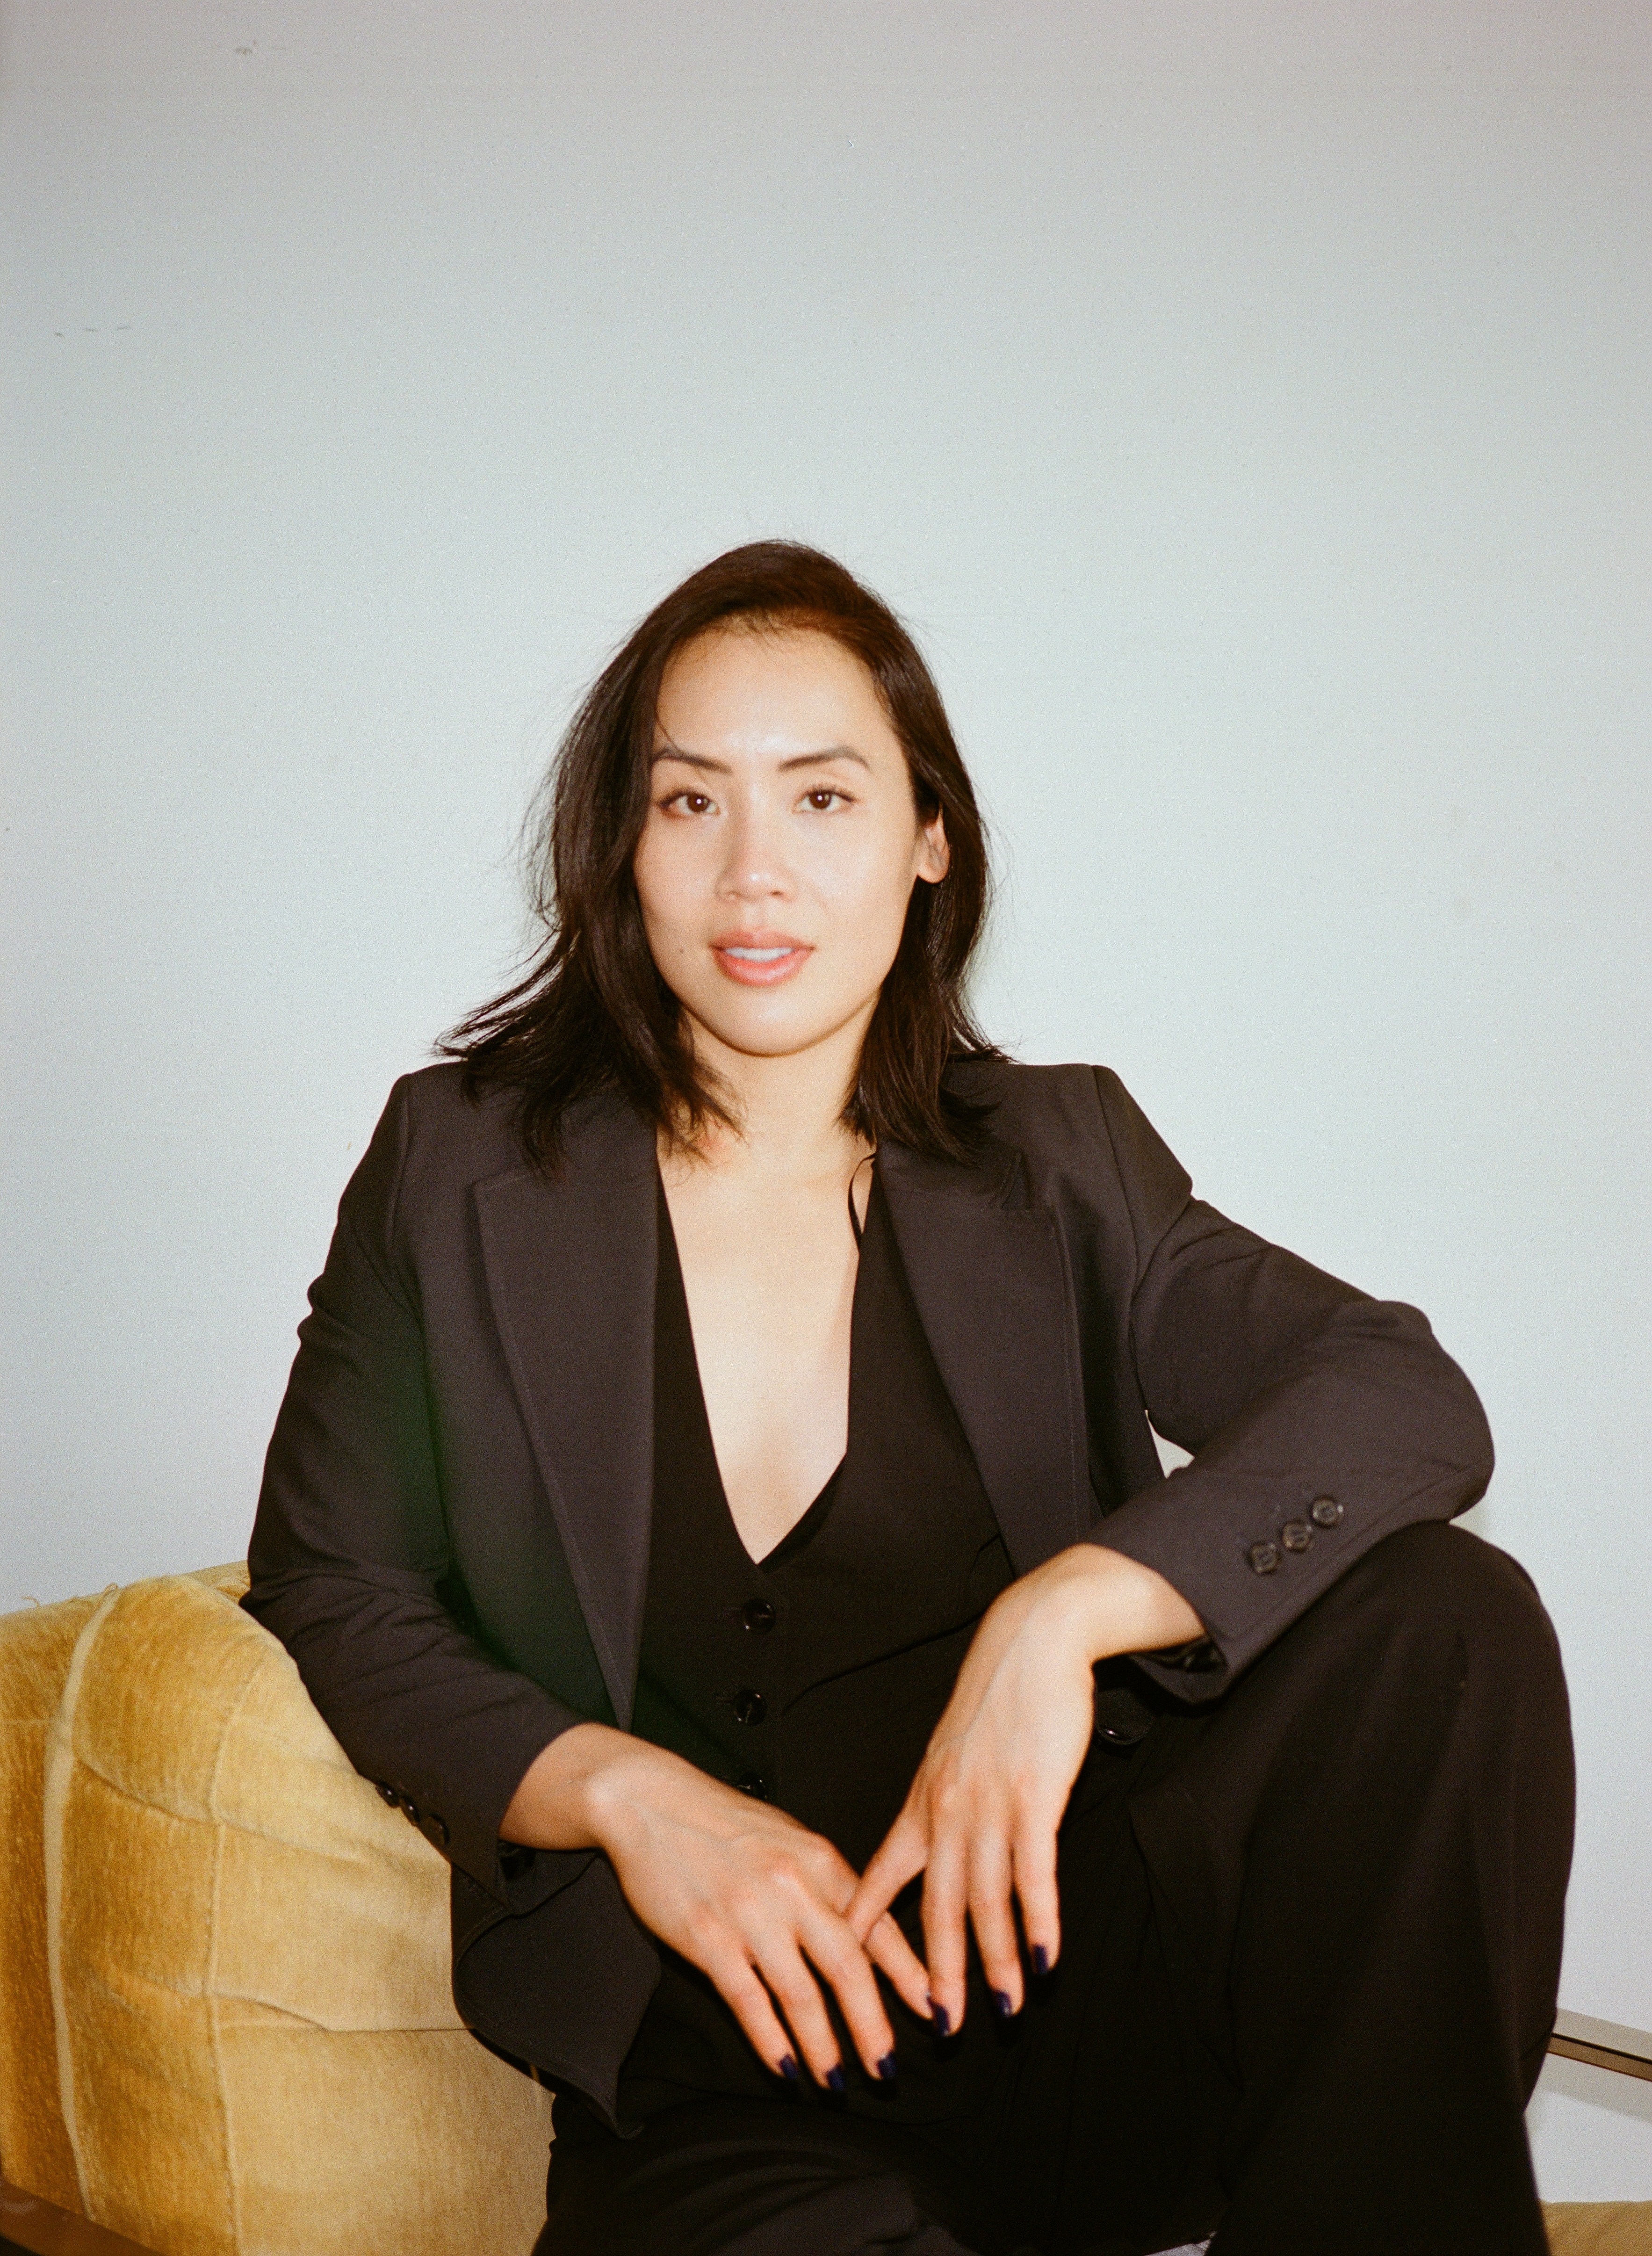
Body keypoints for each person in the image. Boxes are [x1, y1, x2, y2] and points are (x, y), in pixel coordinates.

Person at [244, 542, 1573, 2256]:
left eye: (821, 798)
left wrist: (1062, 1616)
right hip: (722, 2082)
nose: (754, 875)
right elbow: (336, 1581)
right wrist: (628, 1796)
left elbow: (1403, 1398)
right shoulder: (460, 1166)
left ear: (927, 840)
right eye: (689, 803)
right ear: (619, 847)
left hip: (1092, 2013)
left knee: (1442, 1617)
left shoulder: (1060, 1159)